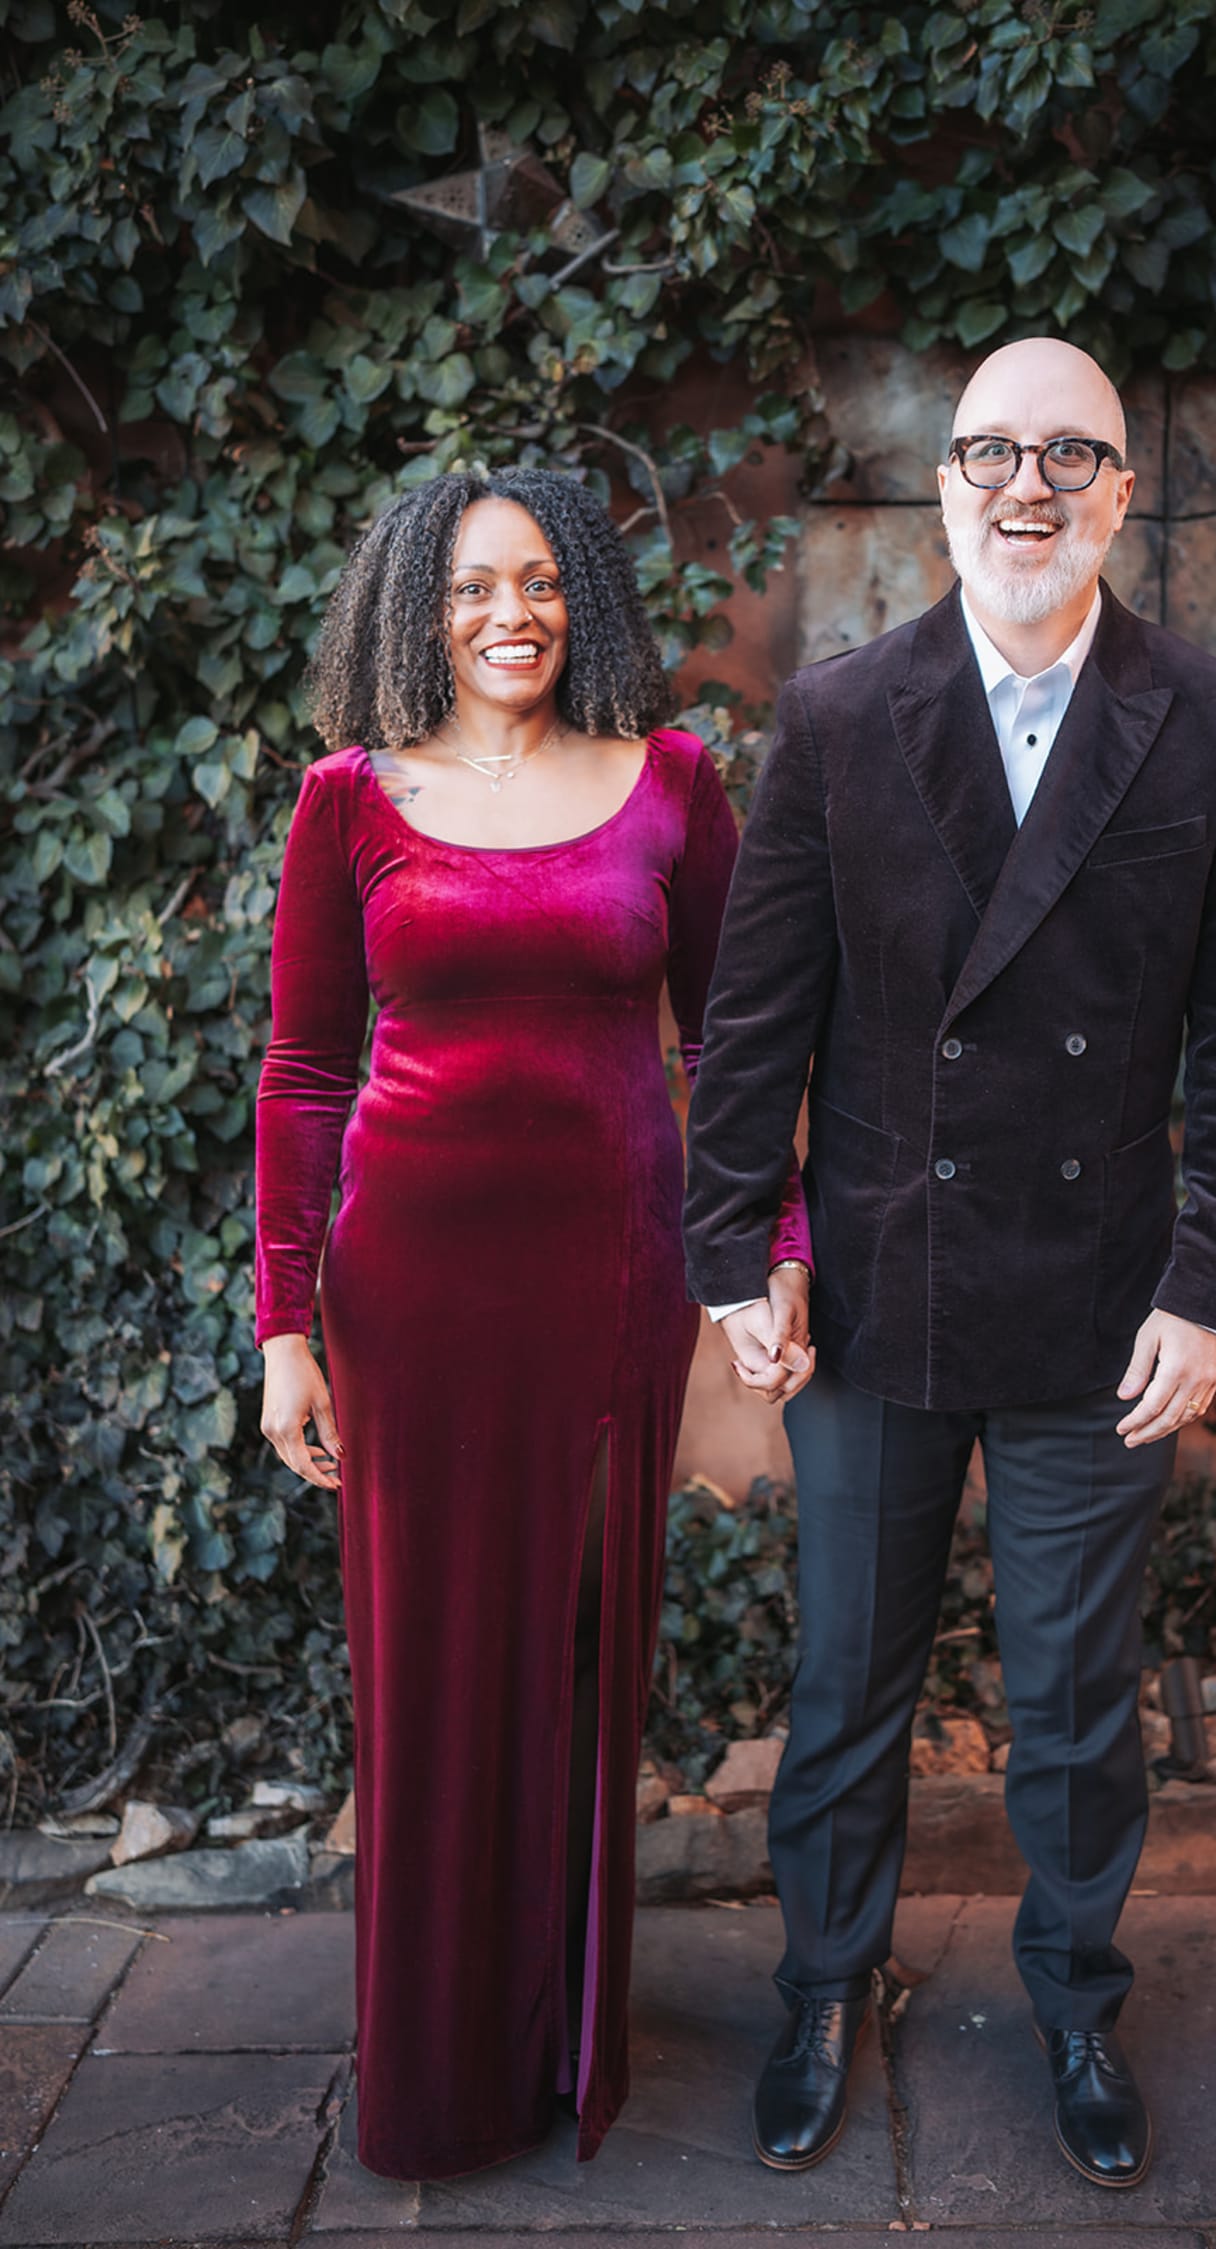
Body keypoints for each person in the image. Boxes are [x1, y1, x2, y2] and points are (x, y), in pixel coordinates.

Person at [683, 339, 1216, 2189]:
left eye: (1068, 453)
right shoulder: (842, 712)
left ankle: (1076, 1994)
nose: (1023, 485)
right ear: (940, 486)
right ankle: (821, 1982)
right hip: (879, 1286)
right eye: (986, 451)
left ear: (1124, 489)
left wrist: (1208, 1287)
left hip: (1105, 1305)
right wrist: (741, 1248)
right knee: (848, 1682)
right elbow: (757, 1013)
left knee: (1075, 1699)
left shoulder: (1213, 720)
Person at [253, 466, 809, 2181]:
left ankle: (561, 2042)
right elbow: (304, 1071)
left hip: (612, 1295)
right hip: (410, 1305)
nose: (516, 613)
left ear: (589, 606)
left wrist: (776, 1243)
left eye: (548, 583)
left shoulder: (675, 787)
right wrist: (287, 1328)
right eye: (479, 584)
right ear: (420, 603)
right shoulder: (349, 801)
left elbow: (738, 1046)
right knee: (431, 1677)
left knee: (574, 1669)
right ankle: (437, 2076)